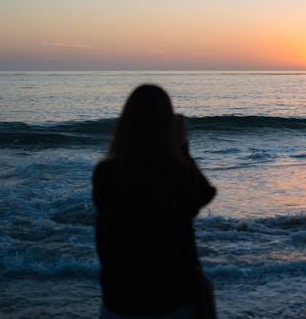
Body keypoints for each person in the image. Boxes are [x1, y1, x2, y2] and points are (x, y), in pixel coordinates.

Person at [93, 84, 217, 319]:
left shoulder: (105, 174)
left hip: (119, 301)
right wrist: (182, 147)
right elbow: (203, 194)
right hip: (171, 302)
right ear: (167, 127)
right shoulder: (177, 173)